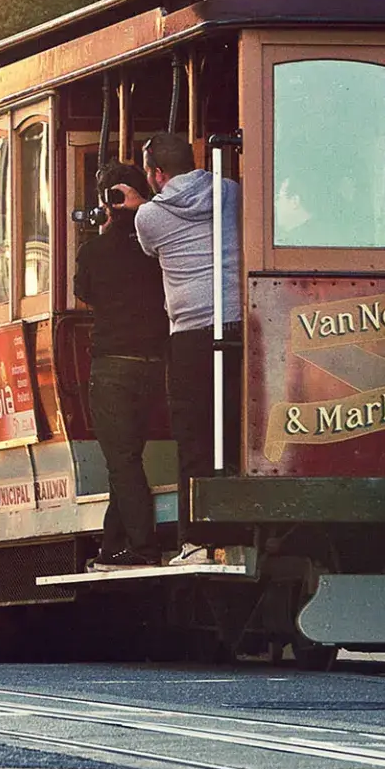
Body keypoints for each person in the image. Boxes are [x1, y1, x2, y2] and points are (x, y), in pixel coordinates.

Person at [122, 132, 242, 567]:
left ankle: (199, 541)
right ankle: (245, 529)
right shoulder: (230, 192)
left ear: (155, 173)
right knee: (239, 430)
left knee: (194, 437)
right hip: (241, 323)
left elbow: (151, 248)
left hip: (191, 333)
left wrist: (136, 206)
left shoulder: (149, 217)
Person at [73, 163, 169, 570]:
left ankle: (143, 548)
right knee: (125, 457)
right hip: (155, 367)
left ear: (108, 199)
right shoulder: (159, 241)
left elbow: (84, 292)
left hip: (113, 368)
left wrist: (108, 229)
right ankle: (112, 546)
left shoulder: (96, 249)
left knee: (123, 460)